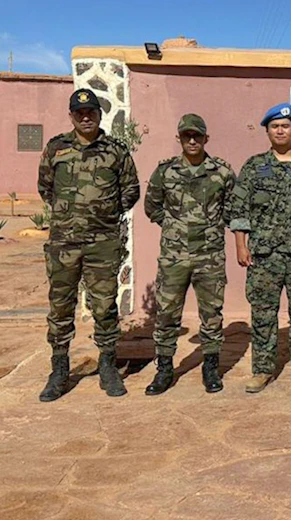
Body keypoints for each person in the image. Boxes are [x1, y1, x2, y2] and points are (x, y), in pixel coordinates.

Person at [37, 88, 141, 401]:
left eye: (91, 112)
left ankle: (107, 364)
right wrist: (71, 216)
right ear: (71, 116)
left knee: (105, 306)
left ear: (99, 114)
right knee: (60, 306)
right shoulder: (56, 148)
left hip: (103, 243)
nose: (86, 117)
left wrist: (104, 214)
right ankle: (59, 369)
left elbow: (131, 190)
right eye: (79, 113)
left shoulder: (115, 150)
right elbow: (46, 189)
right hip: (64, 243)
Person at [230, 103, 291, 393]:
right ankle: (262, 369)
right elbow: (240, 208)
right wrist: (240, 245)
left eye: (285, 126)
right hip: (264, 255)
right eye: (275, 126)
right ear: (268, 131)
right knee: (262, 314)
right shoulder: (254, 166)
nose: (280, 130)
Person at [143, 113, 236, 395]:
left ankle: (211, 366)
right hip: (174, 256)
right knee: (167, 313)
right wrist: (175, 228)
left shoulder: (221, 172)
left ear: (206, 138)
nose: (192, 140)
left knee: (212, 314)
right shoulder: (166, 171)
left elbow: (232, 209)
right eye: (187, 136)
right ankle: (165, 368)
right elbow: (152, 207)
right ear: (179, 139)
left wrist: (212, 228)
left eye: (197, 136)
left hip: (210, 256)